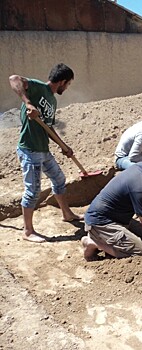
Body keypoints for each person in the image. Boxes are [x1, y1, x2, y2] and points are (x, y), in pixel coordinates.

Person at [9, 63, 82, 243]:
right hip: (29, 149)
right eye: (68, 84)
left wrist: (64, 146)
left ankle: (66, 214)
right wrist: (27, 103)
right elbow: (14, 78)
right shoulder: (37, 87)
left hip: (43, 149)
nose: (67, 88)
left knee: (59, 179)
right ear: (62, 81)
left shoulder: (53, 100)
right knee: (33, 191)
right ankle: (27, 231)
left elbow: (48, 128)